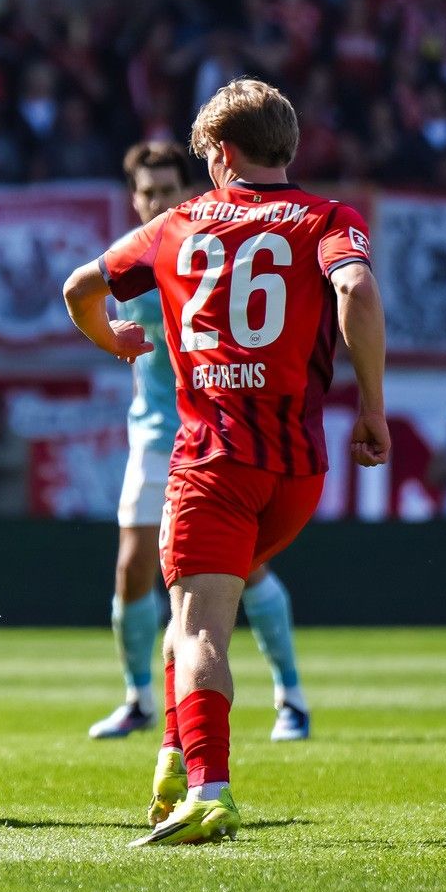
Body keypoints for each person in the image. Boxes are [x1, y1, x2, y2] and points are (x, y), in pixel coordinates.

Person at [63, 80, 389, 846]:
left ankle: (209, 788)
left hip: (214, 458)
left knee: (200, 623)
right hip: (298, 470)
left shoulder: (177, 222)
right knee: (196, 614)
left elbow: (80, 287)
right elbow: (358, 290)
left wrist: (111, 338)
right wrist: (372, 406)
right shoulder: (329, 218)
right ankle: (175, 755)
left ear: (220, 154)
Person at [87, 141, 315, 745]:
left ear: (186, 191)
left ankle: (290, 695)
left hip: (216, 431)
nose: (157, 200)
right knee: (132, 569)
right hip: (157, 431)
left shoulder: (207, 245)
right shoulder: (134, 258)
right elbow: (85, 298)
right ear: (133, 199)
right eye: (147, 192)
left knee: (245, 568)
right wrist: (109, 336)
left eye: (167, 190)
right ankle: (138, 697)